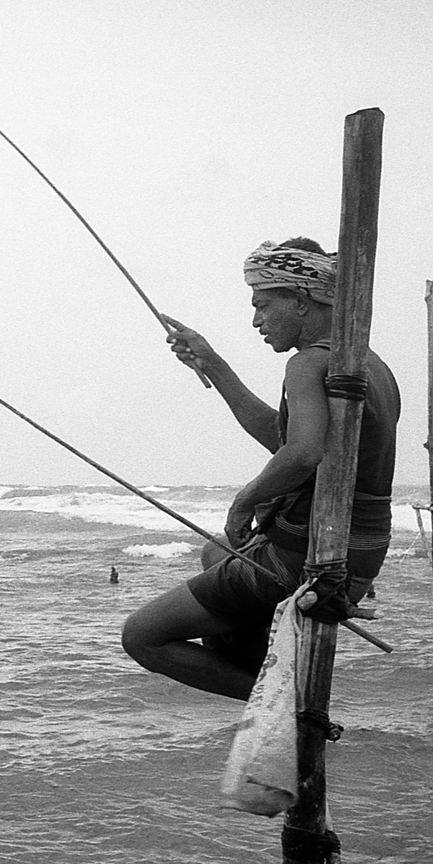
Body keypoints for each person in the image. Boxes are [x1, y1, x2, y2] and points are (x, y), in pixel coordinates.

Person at [120, 237, 400, 700]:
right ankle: (262, 672)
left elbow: (303, 453)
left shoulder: (308, 363)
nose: (257, 320)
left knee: (142, 636)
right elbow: (285, 438)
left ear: (301, 300)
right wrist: (214, 365)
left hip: (308, 558)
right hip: (361, 551)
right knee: (217, 552)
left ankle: (284, 701)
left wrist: (243, 501)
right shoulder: (369, 363)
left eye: (264, 304)